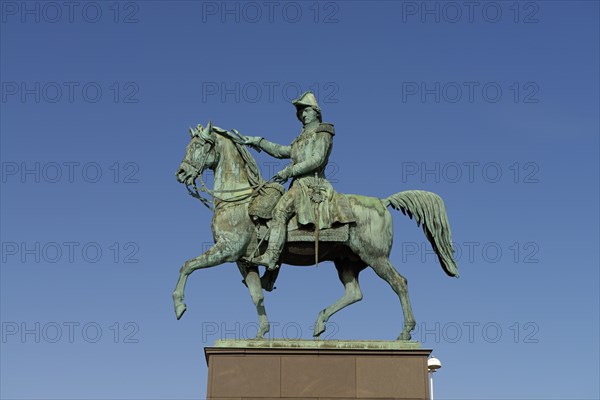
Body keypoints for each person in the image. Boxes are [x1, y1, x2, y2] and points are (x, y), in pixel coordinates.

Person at [242, 91, 352, 270]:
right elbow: (281, 151)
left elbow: (317, 159)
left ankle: (270, 257)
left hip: (311, 184)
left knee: (279, 211)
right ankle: (270, 274)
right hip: (298, 184)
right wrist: (258, 141)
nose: (302, 115)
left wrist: (289, 171)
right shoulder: (300, 138)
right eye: (300, 112)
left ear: (316, 111)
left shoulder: (323, 132)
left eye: (306, 111)